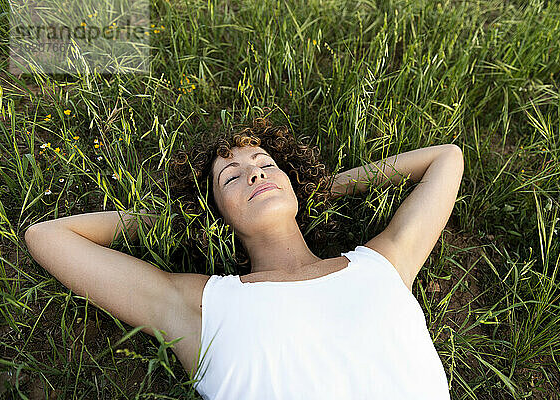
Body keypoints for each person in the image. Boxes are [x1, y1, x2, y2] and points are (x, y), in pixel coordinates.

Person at [25, 112, 464, 399]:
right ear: (219, 213)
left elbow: (447, 157)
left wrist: (325, 188)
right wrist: (178, 220)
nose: (254, 171)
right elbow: (48, 236)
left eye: (266, 164)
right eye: (231, 177)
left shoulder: (382, 264)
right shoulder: (198, 307)